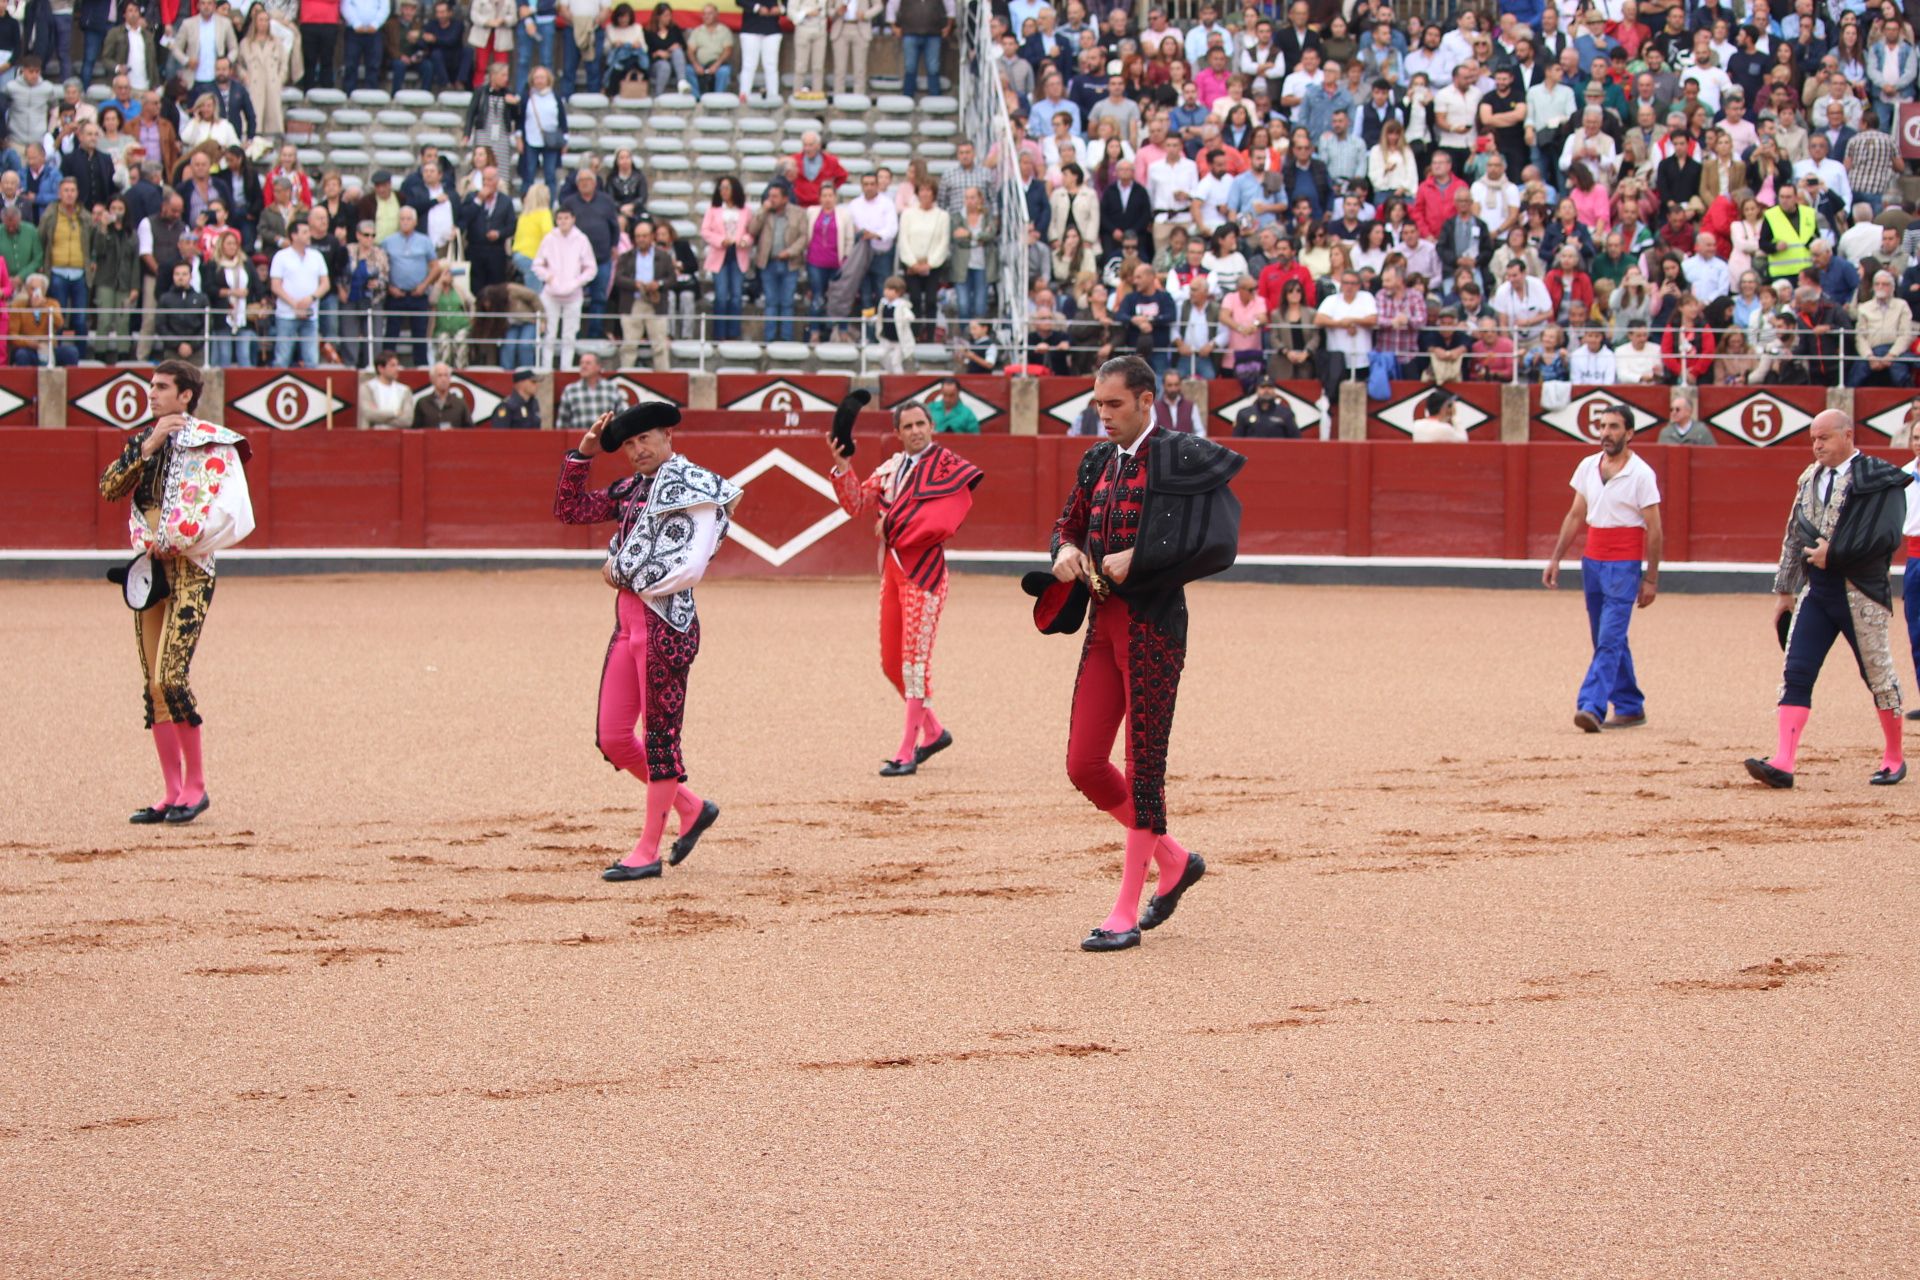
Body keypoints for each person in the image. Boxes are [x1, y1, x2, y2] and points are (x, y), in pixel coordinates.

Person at [1042, 354, 1243, 953]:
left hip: (1154, 625)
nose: (1102, 415)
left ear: (1146, 400)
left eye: (1114, 404)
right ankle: (1175, 859)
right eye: (1097, 404)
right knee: (1083, 763)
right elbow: (1065, 524)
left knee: (1144, 765)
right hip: (1104, 623)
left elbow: (1219, 541)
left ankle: (1126, 911)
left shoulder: (1181, 455)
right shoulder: (1098, 459)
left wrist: (1145, 559)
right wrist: (1063, 551)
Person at [553, 402, 737, 880]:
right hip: (628, 624)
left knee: (660, 740)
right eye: (629, 443)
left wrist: (620, 571)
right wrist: (584, 453)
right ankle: (691, 807)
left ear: (668, 437)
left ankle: (648, 850)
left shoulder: (693, 487)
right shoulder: (631, 489)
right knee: (614, 738)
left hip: (666, 625)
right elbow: (569, 510)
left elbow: (691, 567)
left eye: (645, 439)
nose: (637, 450)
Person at [97, 361, 253, 827]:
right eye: (150, 385)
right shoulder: (143, 442)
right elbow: (109, 488)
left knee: (171, 676)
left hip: (191, 571)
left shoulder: (212, 443)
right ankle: (170, 793)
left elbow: (232, 512)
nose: (152, 393)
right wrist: (147, 445)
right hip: (149, 573)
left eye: (162, 387)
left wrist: (181, 539)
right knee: (152, 684)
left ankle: (197, 787)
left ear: (185, 395)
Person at [827, 397, 983, 775]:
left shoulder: (947, 467)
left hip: (925, 574)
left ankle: (905, 751)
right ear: (897, 433)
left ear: (932, 427)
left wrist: (891, 524)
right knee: (891, 663)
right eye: (908, 426)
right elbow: (856, 504)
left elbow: (943, 521)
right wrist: (843, 466)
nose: (915, 431)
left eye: (920, 424)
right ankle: (933, 732)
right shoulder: (892, 468)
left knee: (914, 663)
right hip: (895, 573)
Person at [1542, 402, 1663, 734]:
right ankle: (1629, 705)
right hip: (1592, 562)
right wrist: (1555, 558)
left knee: (1609, 639)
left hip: (1624, 565)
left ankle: (1591, 706)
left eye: (1613, 427)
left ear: (1630, 433)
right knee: (1606, 638)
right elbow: (1575, 515)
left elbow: (1655, 530)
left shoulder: (1641, 473)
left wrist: (1650, 578)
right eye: (1603, 427)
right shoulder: (1587, 466)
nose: (1606, 433)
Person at [156, 260, 210, 362]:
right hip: (172, 352)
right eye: (177, 274)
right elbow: (160, 325)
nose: (180, 277)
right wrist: (178, 345)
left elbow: (207, 325)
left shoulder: (202, 299)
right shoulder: (164, 299)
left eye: (184, 274)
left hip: (196, 352)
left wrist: (192, 345)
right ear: (172, 276)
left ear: (191, 276)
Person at [360, 349, 414, 428]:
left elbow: (407, 420)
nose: (397, 369)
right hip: (372, 437)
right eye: (392, 365)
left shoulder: (404, 390)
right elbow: (369, 414)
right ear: (381, 368)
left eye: (397, 365)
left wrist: (379, 417)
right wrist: (395, 413)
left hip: (397, 437)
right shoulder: (368, 388)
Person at [411, 362, 473, 428]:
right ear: (432, 379)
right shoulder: (422, 404)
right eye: (440, 375)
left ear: (450, 379)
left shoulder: (460, 404)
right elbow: (415, 431)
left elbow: (470, 431)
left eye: (446, 375)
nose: (443, 379)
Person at [1233, 377, 1300, 437]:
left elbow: (1296, 440)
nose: (1266, 390)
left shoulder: (1286, 414)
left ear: (1274, 390)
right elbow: (1237, 441)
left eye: (1270, 387)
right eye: (1263, 387)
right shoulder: (1244, 414)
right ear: (1257, 390)